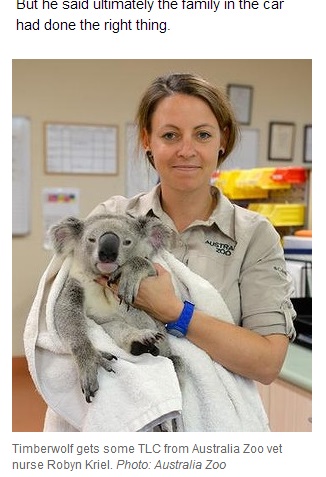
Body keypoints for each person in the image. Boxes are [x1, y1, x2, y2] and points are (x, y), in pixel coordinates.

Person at [92, 72, 296, 385]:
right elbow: (68, 309)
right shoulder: (111, 219)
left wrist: (174, 311)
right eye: (170, 135)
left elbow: (268, 362)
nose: (186, 150)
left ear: (222, 139)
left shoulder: (254, 236)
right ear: (147, 139)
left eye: (202, 135)